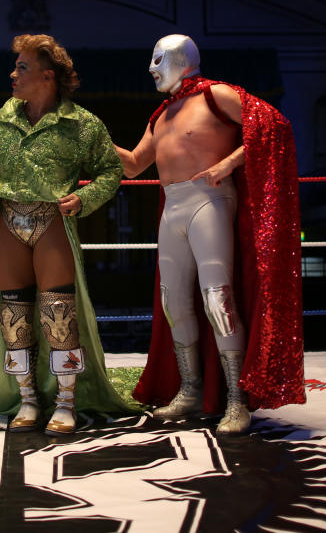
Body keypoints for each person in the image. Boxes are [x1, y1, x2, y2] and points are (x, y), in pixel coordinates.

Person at [0, 34, 130, 435]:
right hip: (7, 221)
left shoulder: (82, 124)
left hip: (53, 222)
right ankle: (26, 399)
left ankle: (65, 402)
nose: (13, 73)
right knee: (14, 314)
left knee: (60, 314)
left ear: (47, 76)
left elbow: (111, 171)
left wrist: (84, 198)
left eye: (21, 67)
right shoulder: (0, 120)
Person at [116, 34, 305, 434]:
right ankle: (190, 389)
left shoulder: (216, 95)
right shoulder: (161, 115)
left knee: (218, 298)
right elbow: (133, 165)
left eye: (158, 59)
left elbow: (274, 126)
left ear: (181, 61)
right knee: (173, 303)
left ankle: (237, 400)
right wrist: (91, 136)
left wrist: (229, 164)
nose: (151, 68)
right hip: (173, 205)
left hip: (210, 200)